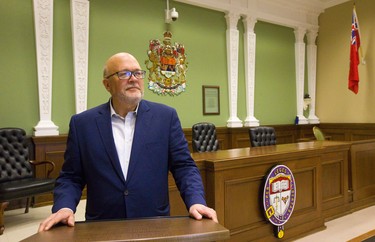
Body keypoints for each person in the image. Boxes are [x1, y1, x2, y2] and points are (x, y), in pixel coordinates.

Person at [38, 52, 218, 232]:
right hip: (103, 226)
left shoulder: (165, 117)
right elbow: (71, 176)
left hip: (154, 224)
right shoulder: (82, 124)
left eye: (138, 73)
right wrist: (64, 207)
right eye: (124, 74)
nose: (133, 79)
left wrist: (196, 201)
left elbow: (184, 166)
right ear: (107, 84)